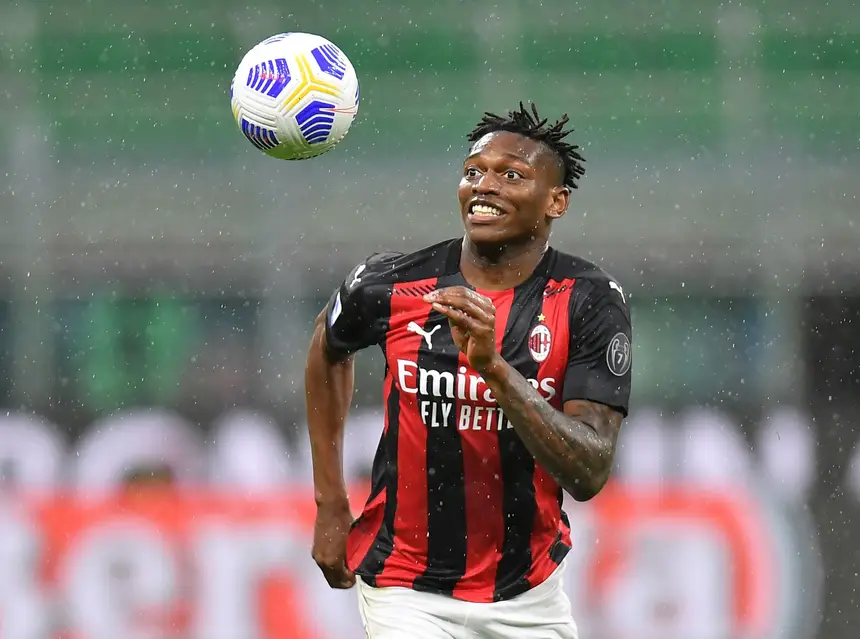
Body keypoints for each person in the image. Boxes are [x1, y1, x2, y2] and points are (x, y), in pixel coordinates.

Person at [305, 102, 632, 639]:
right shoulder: (390, 283)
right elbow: (327, 346)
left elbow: (589, 471)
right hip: (404, 586)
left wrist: (493, 369)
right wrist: (330, 502)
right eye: (473, 172)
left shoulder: (587, 301)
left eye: (512, 175)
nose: (484, 186)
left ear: (556, 201)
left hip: (529, 594)